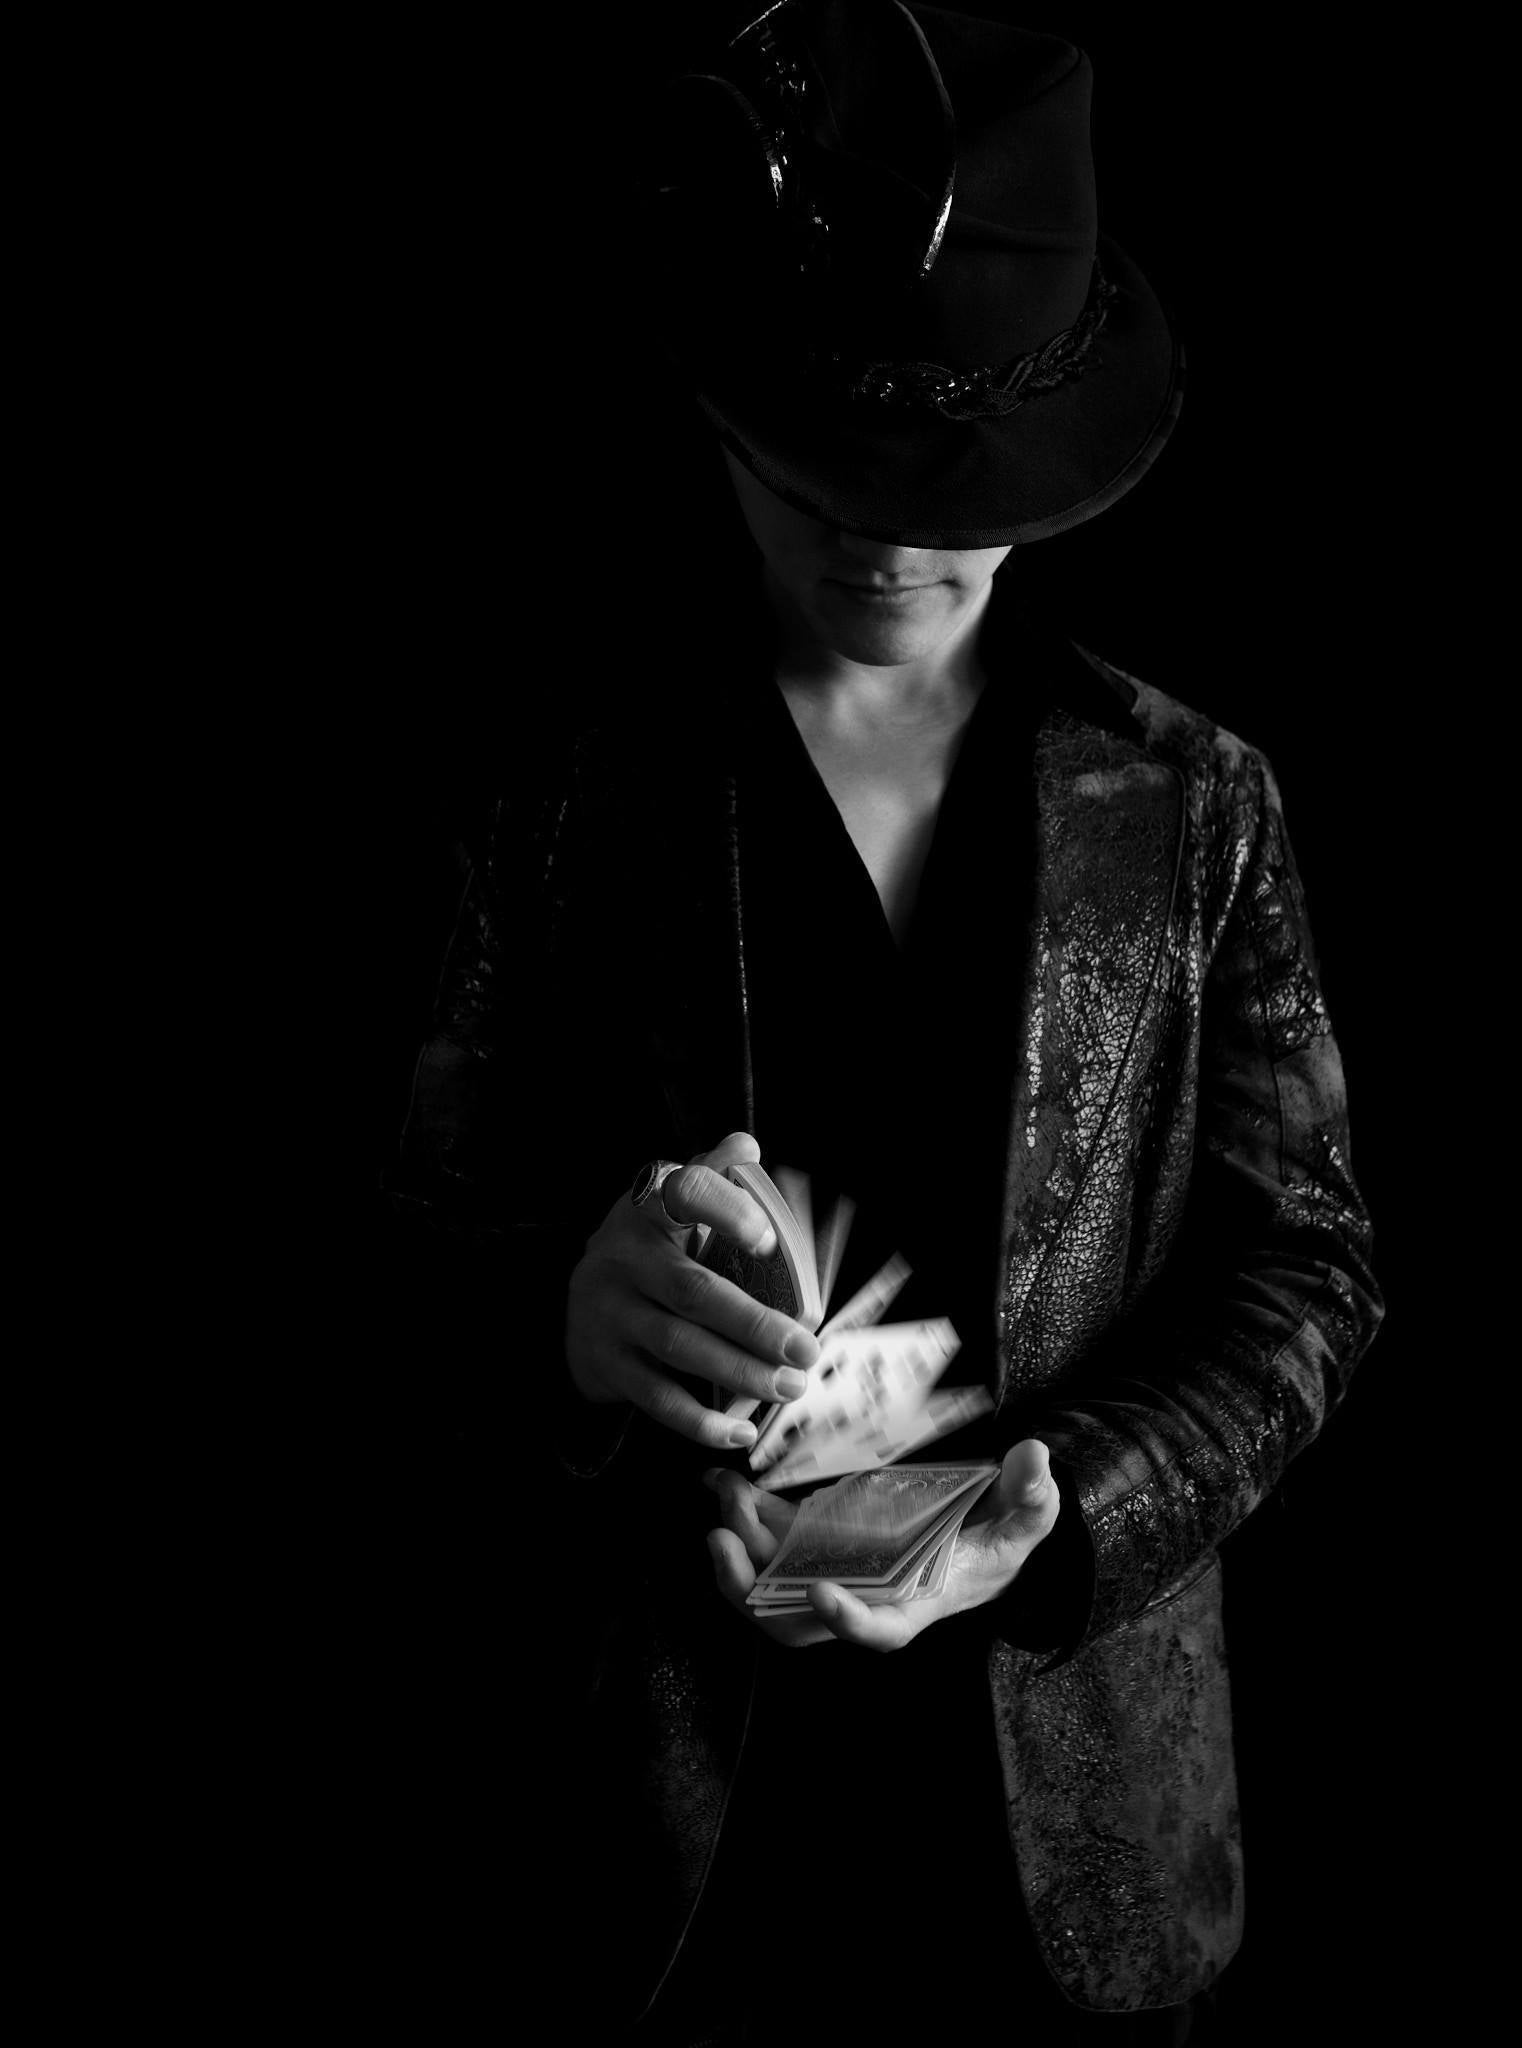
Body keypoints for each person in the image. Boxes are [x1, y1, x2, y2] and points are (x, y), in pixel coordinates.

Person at [388, 4, 1382, 2040]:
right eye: (828, 465)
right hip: (637, 1868)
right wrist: (562, 1318)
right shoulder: (553, 799)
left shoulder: (1189, 805)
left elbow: (1310, 1271)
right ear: (725, 409)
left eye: (950, 475)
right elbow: (392, 1264)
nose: (887, 537)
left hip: (1078, 1858)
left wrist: (1066, 1508)